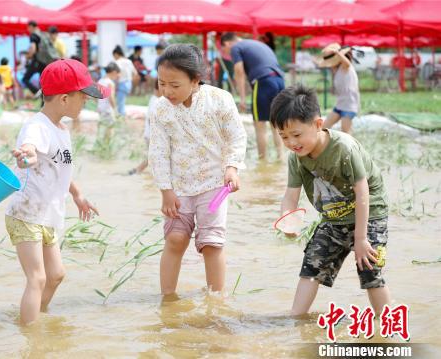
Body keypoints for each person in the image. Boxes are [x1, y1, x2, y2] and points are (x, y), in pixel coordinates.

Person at [269, 85, 391, 316]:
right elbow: (290, 196)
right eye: (283, 136)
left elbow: (362, 192)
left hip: (369, 214)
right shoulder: (296, 159)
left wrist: (361, 238)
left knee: (370, 270)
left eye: (296, 135)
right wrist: (288, 220)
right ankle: (295, 318)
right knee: (312, 263)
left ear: (317, 124)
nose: (291, 142)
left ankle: (386, 324)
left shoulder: (343, 148)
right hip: (334, 219)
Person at [5, 59, 110, 325]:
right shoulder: (37, 127)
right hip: (26, 213)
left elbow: (59, 168)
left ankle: (33, 315)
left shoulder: (61, 130)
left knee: (56, 275)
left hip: (45, 214)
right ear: (64, 99)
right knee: (37, 277)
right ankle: (30, 338)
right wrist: (25, 157)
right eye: (83, 98)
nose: (85, 103)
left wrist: (77, 195)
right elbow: (30, 152)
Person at [148, 44, 247, 296]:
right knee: (175, 239)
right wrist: (165, 191)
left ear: (195, 80)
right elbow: (158, 152)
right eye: (162, 84)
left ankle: (216, 300)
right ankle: (167, 298)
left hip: (215, 186)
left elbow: (236, 137)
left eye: (174, 84)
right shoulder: (160, 109)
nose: (167, 91)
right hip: (178, 187)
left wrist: (232, 168)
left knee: (211, 244)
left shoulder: (219, 100)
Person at [220, 32, 285, 161]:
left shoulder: (235, 48)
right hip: (280, 80)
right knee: (276, 124)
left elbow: (239, 71)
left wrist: (242, 98)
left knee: (259, 124)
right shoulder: (256, 44)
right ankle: (281, 158)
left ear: (227, 43)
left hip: (264, 82)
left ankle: (262, 161)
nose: (227, 54)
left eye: (224, 50)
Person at [317, 43, 360, 134]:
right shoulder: (336, 70)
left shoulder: (346, 67)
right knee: (324, 128)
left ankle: (354, 148)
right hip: (340, 104)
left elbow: (347, 63)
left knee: (346, 133)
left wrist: (337, 53)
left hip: (349, 105)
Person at [128, 80, 161, 176]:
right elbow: (151, 119)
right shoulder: (157, 101)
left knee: (154, 156)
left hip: (149, 133)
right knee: (154, 156)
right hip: (153, 135)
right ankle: (137, 171)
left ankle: (137, 171)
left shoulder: (153, 99)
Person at [23, 20, 59, 95]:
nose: (28, 30)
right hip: (46, 61)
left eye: (28, 28)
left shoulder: (34, 35)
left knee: (25, 79)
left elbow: (33, 48)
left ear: (31, 27)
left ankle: (36, 91)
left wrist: (28, 56)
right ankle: (43, 102)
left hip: (38, 61)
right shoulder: (43, 34)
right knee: (43, 82)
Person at [112, 45, 138, 117]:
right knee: (121, 103)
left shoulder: (117, 62)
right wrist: (130, 80)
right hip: (128, 84)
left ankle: (122, 120)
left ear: (116, 54)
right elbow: (135, 73)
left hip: (121, 84)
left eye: (114, 56)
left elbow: (118, 75)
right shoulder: (129, 61)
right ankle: (122, 118)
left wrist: (115, 85)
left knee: (120, 105)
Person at [97, 62, 120, 139]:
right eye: (117, 75)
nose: (117, 77)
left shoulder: (100, 81)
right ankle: (107, 146)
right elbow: (111, 97)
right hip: (107, 109)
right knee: (110, 128)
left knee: (103, 128)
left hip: (100, 108)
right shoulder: (110, 83)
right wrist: (115, 109)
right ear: (114, 72)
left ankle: (102, 145)